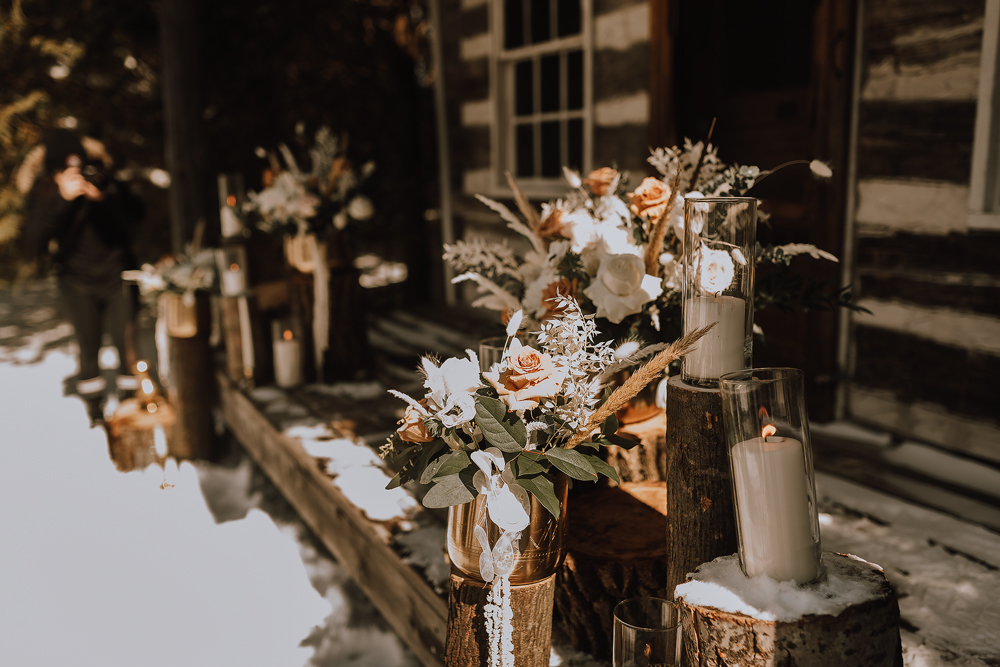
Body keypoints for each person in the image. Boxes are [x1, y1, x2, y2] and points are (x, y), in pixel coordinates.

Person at [24, 129, 145, 425]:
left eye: (79, 166)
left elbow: (136, 220)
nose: (75, 173)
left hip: (116, 276)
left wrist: (104, 197)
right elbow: (32, 241)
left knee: (124, 343)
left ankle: (131, 403)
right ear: (53, 172)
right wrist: (62, 200)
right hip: (76, 283)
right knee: (88, 346)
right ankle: (95, 410)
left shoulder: (105, 179)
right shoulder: (42, 193)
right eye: (66, 168)